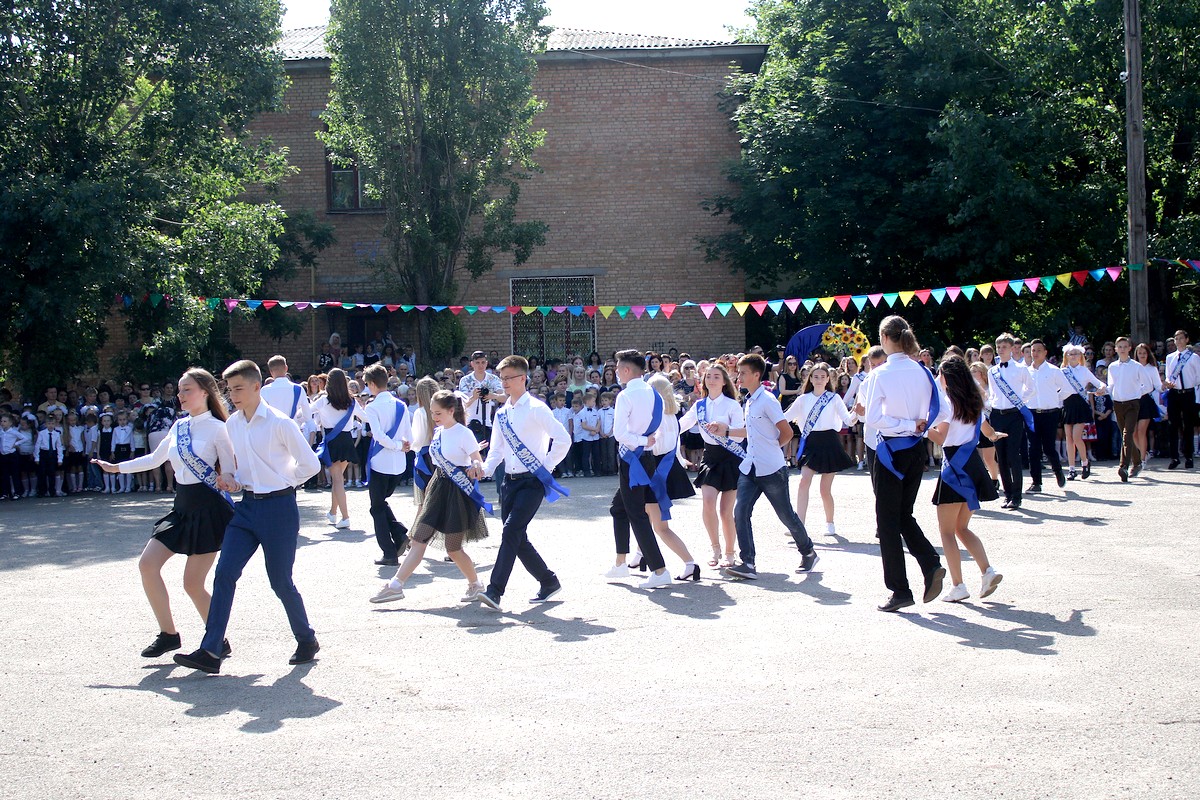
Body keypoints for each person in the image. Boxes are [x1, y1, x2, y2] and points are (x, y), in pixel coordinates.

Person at [173, 359, 322, 674]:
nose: (233, 394)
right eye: (229, 389)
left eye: (239, 388)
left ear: (257, 386)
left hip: (279, 509)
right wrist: (230, 476)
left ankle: (306, 639)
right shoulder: (232, 424)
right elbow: (234, 466)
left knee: (280, 581)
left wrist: (283, 482)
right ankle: (211, 650)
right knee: (224, 574)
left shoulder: (281, 423)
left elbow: (311, 464)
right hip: (246, 508)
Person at [95, 368, 236, 659]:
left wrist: (230, 480)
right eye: (180, 389)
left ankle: (217, 640)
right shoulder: (178, 427)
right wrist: (117, 467)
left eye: (187, 390)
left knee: (192, 584)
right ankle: (168, 634)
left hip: (208, 509)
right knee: (147, 565)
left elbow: (230, 469)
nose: (181, 395)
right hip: (181, 507)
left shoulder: (219, 428)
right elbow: (155, 458)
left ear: (205, 393)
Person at [705, 353, 819, 580]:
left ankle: (808, 551)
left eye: (743, 372)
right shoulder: (749, 400)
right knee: (741, 512)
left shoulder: (767, 400)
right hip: (750, 468)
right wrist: (725, 430)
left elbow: (786, 432)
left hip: (772, 470)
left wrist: (771, 449)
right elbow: (750, 431)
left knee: (786, 515)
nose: (739, 376)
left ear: (757, 375)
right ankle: (748, 562)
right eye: (738, 372)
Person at [370, 391, 489, 604]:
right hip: (437, 488)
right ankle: (395, 586)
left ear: (451, 411)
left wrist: (476, 466)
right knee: (418, 540)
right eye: (432, 412)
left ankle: (475, 584)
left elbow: (476, 460)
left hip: (457, 493)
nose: (434, 417)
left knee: (453, 549)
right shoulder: (439, 432)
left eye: (438, 413)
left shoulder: (464, 433)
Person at [861, 315, 946, 612]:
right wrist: (917, 425)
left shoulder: (880, 374)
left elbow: (872, 418)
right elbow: (941, 408)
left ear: (885, 339)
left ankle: (900, 588)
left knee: (887, 521)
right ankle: (929, 562)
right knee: (902, 514)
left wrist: (905, 423)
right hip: (915, 448)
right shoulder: (923, 371)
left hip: (890, 451)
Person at [476, 355, 570, 611]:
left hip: (532, 483)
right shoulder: (502, 413)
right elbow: (496, 451)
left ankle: (495, 591)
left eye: (508, 378)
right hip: (509, 482)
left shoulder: (537, 408)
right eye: (501, 378)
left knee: (510, 532)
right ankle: (548, 581)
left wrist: (546, 467)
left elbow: (563, 439)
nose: (503, 383)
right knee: (517, 537)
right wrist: (483, 470)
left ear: (522, 379)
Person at [607, 372, 699, 584]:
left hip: (652, 470)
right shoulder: (672, 418)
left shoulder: (655, 419)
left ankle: (686, 564)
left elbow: (652, 447)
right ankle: (631, 559)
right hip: (660, 470)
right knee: (624, 510)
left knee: (657, 525)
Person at [925, 357, 1003, 602]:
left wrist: (919, 427)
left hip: (954, 465)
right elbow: (986, 429)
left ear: (946, 378)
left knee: (947, 531)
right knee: (961, 527)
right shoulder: (974, 401)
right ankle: (987, 571)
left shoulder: (947, 405)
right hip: (972, 464)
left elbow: (940, 438)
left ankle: (958, 585)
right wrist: (994, 434)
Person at [676, 364, 743, 568]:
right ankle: (715, 547)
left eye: (716, 376)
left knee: (725, 511)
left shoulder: (733, 405)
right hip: (710, 457)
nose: (712, 380)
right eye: (708, 376)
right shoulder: (699, 406)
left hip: (731, 457)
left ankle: (730, 551)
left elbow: (740, 435)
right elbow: (681, 425)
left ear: (724, 381)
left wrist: (725, 430)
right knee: (707, 502)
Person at [783, 362, 857, 536]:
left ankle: (830, 522)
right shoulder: (802, 399)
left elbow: (848, 420)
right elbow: (785, 417)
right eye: (815, 376)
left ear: (827, 380)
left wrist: (857, 412)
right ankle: (799, 524)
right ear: (810, 378)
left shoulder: (834, 398)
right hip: (810, 442)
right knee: (803, 481)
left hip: (830, 441)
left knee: (825, 489)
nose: (819, 379)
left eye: (822, 377)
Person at [362, 363, 413, 566]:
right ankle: (400, 534)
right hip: (398, 465)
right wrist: (402, 446)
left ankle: (389, 552)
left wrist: (394, 445)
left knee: (376, 507)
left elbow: (378, 435)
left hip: (380, 463)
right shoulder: (401, 405)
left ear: (373, 384)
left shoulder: (372, 406)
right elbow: (408, 435)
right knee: (381, 503)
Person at [986, 333, 1035, 509]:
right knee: (1001, 457)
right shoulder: (992, 371)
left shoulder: (1021, 369)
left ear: (1012, 348)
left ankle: (1017, 496)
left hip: (1014, 415)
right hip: (997, 415)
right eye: (998, 347)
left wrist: (1020, 401)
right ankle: (1007, 494)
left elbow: (1031, 389)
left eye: (1004, 347)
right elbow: (992, 393)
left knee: (1013, 455)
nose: (1000, 350)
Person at [313, 368, 366, 528]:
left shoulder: (323, 400)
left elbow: (305, 412)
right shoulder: (351, 401)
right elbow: (365, 417)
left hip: (331, 440)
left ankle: (345, 517)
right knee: (338, 479)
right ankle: (333, 512)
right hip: (346, 440)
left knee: (337, 479)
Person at [1026, 339, 1072, 492]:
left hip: (1050, 413)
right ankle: (1036, 482)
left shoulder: (1053, 370)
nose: (1035, 353)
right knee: (1033, 448)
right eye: (1033, 350)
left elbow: (1066, 389)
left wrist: (1056, 401)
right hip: (1032, 413)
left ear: (1045, 352)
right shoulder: (1026, 371)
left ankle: (1058, 470)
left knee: (1049, 447)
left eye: (1039, 350)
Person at [1059, 344, 1106, 479]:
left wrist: (1101, 388)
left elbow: (1099, 383)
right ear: (1066, 356)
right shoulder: (1062, 371)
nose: (1073, 356)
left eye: (1076, 354)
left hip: (1080, 406)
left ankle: (1085, 462)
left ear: (1080, 356)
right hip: (1067, 405)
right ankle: (1071, 468)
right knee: (1068, 437)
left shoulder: (1084, 371)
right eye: (1070, 354)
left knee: (1076, 437)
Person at [1107, 337, 1148, 481]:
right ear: (1116, 349)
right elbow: (1110, 385)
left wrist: (1137, 395)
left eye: (1125, 346)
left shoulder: (1136, 366)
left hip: (1132, 403)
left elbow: (1146, 385)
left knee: (1127, 433)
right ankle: (1137, 463)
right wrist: (1103, 390)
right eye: (1120, 347)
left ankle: (1123, 466)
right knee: (1126, 435)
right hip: (1118, 403)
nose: (1122, 349)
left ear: (1130, 348)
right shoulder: (1112, 367)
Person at [1163, 330, 1199, 468]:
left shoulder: (1193, 357)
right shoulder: (1170, 357)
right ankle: (1174, 457)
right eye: (1176, 338)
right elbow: (1168, 375)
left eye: (1181, 338)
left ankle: (1188, 456)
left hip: (1188, 393)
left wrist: (1191, 384)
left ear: (1187, 340)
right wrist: (1168, 382)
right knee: (1173, 425)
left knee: (1188, 425)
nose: (1178, 341)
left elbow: (1198, 376)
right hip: (1174, 393)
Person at [259, 355, 311, 428]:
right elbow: (308, 416)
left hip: (273, 431)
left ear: (271, 371)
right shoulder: (298, 389)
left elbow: (261, 415)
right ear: (286, 368)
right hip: (293, 430)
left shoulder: (264, 390)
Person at [1133, 343, 1163, 464]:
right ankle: (1143, 452)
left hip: (1145, 400)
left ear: (1148, 354)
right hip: (1133, 400)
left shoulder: (1152, 368)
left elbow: (1158, 386)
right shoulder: (1132, 367)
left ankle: (1143, 460)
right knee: (1133, 432)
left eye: (1144, 353)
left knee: (1141, 431)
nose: (1142, 355)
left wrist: (1165, 386)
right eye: (1139, 353)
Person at [35, 413, 64, 497]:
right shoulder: (42, 433)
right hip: (44, 453)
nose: (51, 425)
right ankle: (42, 491)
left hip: (52, 454)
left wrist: (60, 459)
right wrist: (37, 457)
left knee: (52, 473)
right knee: (42, 473)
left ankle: (52, 491)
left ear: (55, 424)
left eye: (52, 424)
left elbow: (59, 446)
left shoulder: (57, 434)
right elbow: (37, 445)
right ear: (46, 424)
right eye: (49, 423)